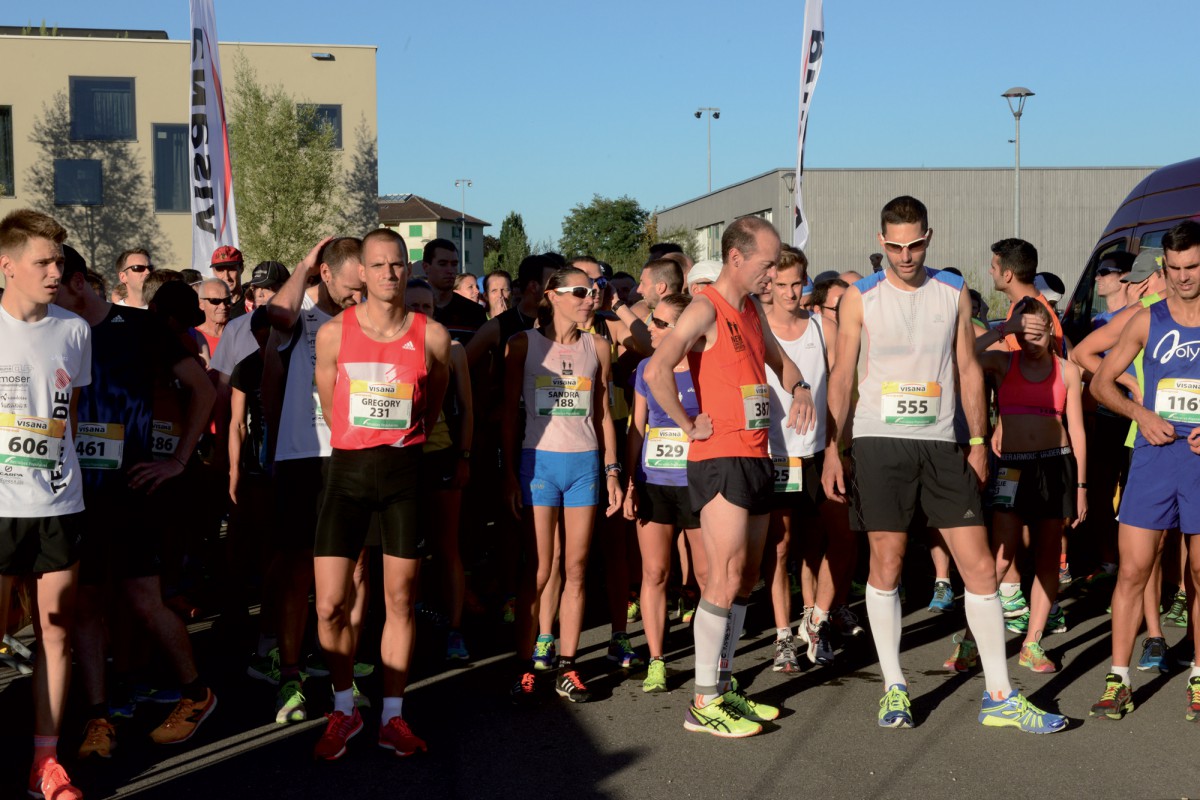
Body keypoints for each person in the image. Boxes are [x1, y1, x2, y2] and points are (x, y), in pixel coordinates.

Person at [822, 195, 1066, 733]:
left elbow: (968, 369)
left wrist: (978, 440)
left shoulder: (953, 291)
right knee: (886, 563)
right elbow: (841, 376)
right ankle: (894, 688)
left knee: (978, 566)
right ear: (882, 241)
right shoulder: (860, 298)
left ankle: (1000, 696)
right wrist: (833, 450)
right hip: (877, 440)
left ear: (929, 238)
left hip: (942, 444)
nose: (905, 256)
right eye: (894, 246)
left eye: (914, 245)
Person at [645, 215, 816, 738]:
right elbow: (657, 370)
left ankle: (722, 684)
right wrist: (685, 423)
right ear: (737, 259)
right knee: (721, 578)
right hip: (718, 458)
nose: (772, 275)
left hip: (756, 455)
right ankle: (702, 701)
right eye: (767, 265)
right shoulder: (705, 307)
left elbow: (780, 361)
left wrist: (802, 387)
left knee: (746, 579)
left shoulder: (749, 310)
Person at [54, 245, 219, 755]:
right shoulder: (52, 332)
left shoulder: (140, 328)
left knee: (144, 601)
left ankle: (197, 694)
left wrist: (177, 460)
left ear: (78, 281)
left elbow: (203, 390)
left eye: (54, 284)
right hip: (71, 492)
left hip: (131, 490)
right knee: (84, 604)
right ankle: (99, 720)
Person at [310, 227, 450, 760]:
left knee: (398, 600)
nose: (389, 273)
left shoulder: (431, 335)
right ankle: (343, 708)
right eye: (378, 264)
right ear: (361, 272)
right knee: (329, 605)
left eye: (397, 264)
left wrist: (400, 443)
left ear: (406, 269)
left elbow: (431, 404)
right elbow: (329, 404)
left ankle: (393, 715)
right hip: (346, 475)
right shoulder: (332, 334)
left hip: (403, 476)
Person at [1089, 220, 1200, 721]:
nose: (1183, 277)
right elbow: (1100, 383)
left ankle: (1198, 675)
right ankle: (1119, 678)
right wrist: (1142, 414)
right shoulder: (1144, 320)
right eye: (1174, 268)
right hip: (1154, 457)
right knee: (1133, 570)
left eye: (1192, 267)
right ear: (1163, 268)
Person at [0, 209, 91, 799]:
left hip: (59, 501)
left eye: (59, 261)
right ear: (7, 267)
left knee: (54, 634)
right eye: (44, 262)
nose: (56, 271)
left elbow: (70, 414)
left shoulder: (73, 330)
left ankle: (45, 763)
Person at [944, 298, 1087, 674]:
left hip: (1055, 466)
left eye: (1038, 333)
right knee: (999, 557)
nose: (1031, 341)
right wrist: (1001, 332)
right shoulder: (1003, 361)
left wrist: (1083, 485)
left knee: (1046, 557)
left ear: (1051, 331)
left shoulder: (1068, 370)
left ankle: (1032, 643)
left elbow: (1078, 432)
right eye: (1023, 333)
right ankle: (972, 639)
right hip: (1012, 468)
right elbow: (963, 356)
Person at [258, 237, 364, 726]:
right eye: (351, 283)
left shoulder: (363, 320)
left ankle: (340, 665)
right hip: (302, 456)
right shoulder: (299, 316)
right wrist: (302, 262)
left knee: (355, 570)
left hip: (351, 456)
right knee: (299, 567)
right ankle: (292, 673)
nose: (357, 293)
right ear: (326, 272)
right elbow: (275, 318)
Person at [505, 267, 622, 705]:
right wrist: (507, 473)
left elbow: (604, 412)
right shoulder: (523, 345)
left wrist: (612, 470)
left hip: (584, 465)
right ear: (552, 295)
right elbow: (509, 415)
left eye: (593, 292)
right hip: (538, 464)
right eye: (579, 291)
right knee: (540, 567)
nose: (589, 298)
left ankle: (568, 666)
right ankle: (530, 660)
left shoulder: (599, 347)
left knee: (575, 567)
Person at [624, 293, 704, 692]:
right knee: (655, 572)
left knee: (707, 575)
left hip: (697, 485)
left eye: (659, 323)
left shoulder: (705, 368)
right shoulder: (645, 367)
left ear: (681, 330)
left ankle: (710, 660)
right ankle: (657, 659)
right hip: (654, 482)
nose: (649, 328)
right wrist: (629, 482)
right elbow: (636, 429)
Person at [405, 279, 474, 660]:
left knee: (447, 547)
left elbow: (466, 408)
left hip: (442, 455)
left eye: (426, 307)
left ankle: (455, 629)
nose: (419, 313)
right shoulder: (385, 349)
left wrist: (464, 457)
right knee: (404, 553)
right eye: (411, 306)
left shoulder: (454, 350)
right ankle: (404, 626)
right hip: (400, 460)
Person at [425, 239, 487, 344]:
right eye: (442, 264)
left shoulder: (474, 313)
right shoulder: (412, 309)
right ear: (426, 267)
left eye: (454, 264)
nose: (450, 270)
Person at [195, 278, 232, 368]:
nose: (223, 306)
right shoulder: (193, 337)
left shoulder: (242, 332)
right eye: (215, 301)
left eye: (227, 300)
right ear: (201, 304)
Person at [210, 245, 248, 319]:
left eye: (231, 269)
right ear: (214, 271)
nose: (227, 277)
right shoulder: (208, 306)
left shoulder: (253, 303)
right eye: (220, 270)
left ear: (241, 268)